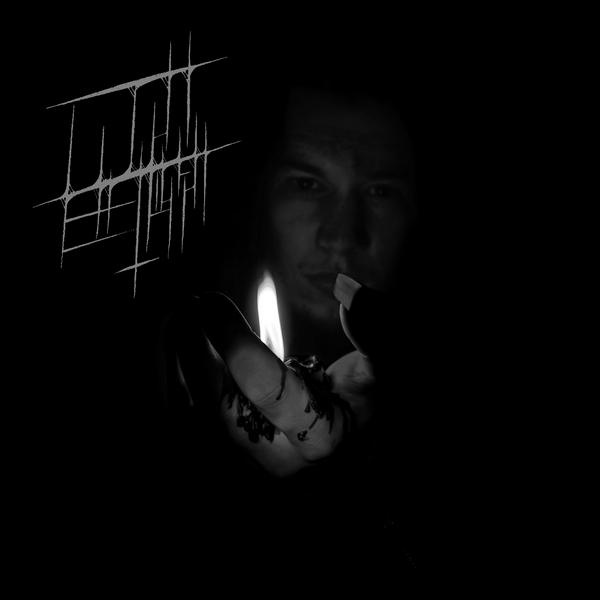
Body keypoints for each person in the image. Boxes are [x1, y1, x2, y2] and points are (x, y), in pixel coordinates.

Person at [158, 59, 423, 561]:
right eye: (307, 183)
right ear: (259, 195)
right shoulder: (179, 360)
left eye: (380, 191)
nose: (342, 234)